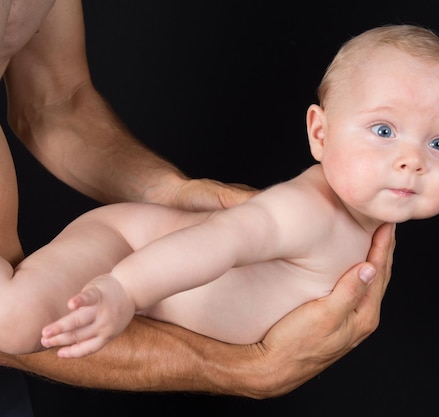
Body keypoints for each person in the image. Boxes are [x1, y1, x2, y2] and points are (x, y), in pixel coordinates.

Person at [0, 0, 394, 413]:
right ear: (320, 131)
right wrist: (126, 291)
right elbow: (222, 240)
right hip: (116, 251)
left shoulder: (342, 214)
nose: (412, 159)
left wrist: (169, 190)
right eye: (384, 131)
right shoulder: (306, 210)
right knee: (14, 319)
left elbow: (54, 102)